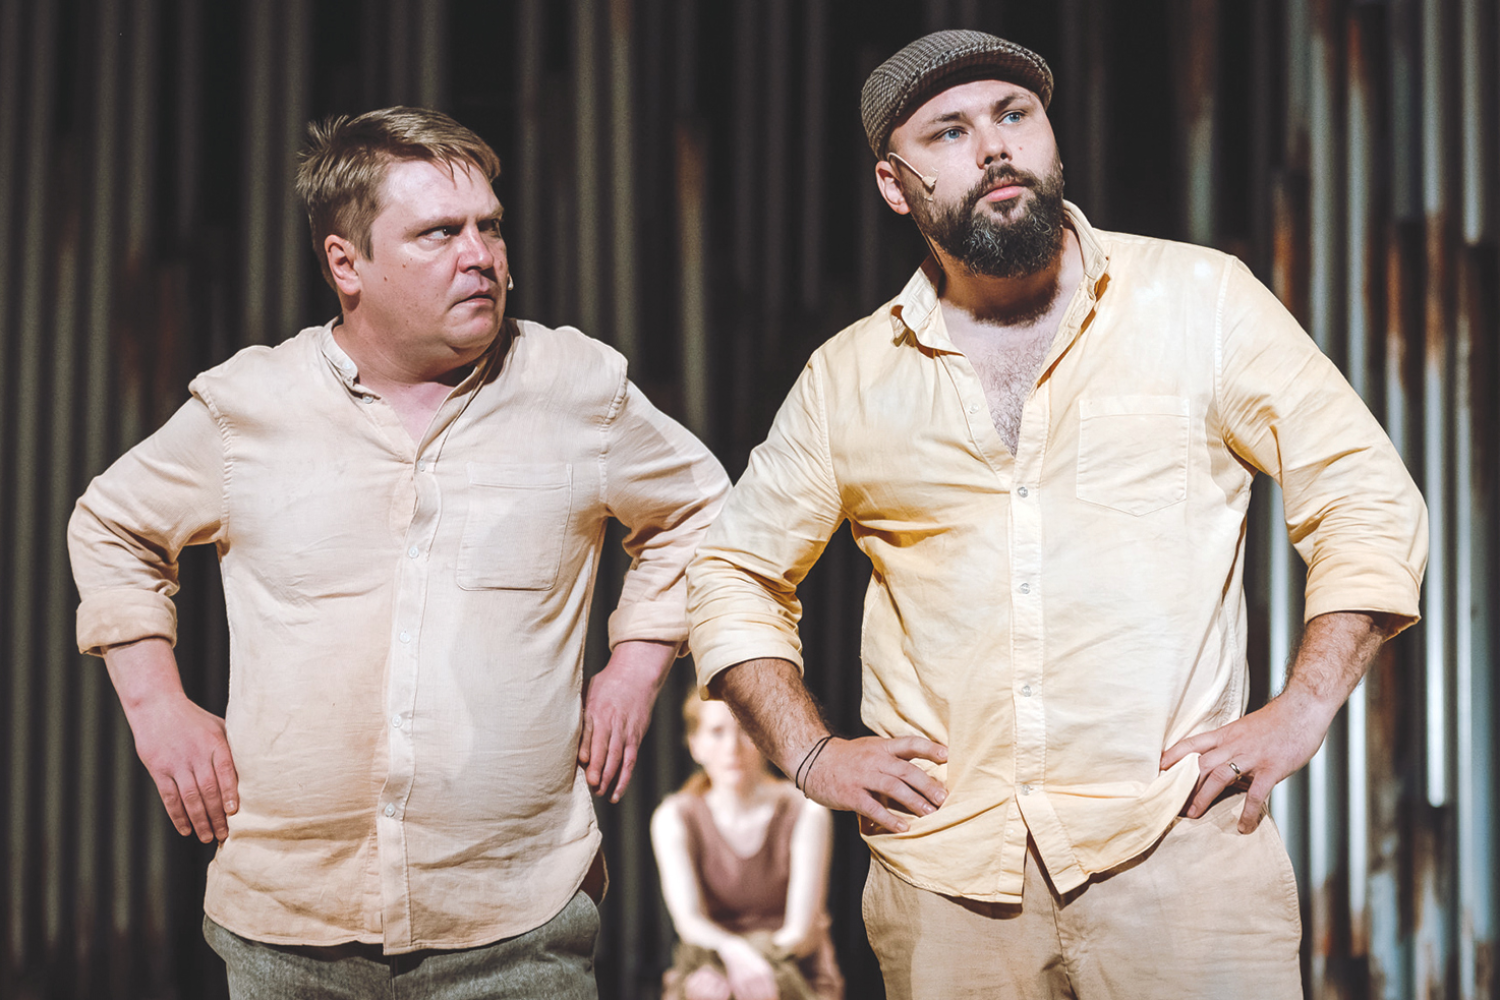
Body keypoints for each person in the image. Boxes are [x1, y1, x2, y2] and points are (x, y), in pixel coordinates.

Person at [686, 29, 1427, 1000]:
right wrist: (810, 752)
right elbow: (732, 570)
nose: (994, 146)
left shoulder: (1199, 302)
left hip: (1183, 855)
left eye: (1015, 115)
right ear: (894, 186)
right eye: (949, 131)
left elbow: (1363, 489)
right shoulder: (849, 377)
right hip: (948, 882)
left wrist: (1305, 707)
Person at [68, 106, 729, 999]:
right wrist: (157, 707)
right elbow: (113, 524)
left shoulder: (575, 389)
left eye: (490, 226)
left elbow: (702, 510)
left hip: (516, 917)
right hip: (288, 924)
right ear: (347, 263)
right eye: (440, 233)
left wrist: (638, 665)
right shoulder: (250, 406)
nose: (481, 256)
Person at [651, 693, 844, 1000]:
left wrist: (743, 970)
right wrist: (730, 958)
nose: (732, 747)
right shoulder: (674, 817)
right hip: (709, 963)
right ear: (695, 744)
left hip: (792, 966)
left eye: (745, 730)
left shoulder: (806, 812)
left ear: (766, 739)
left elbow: (801, 933)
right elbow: (689, 922)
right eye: (717, 732)